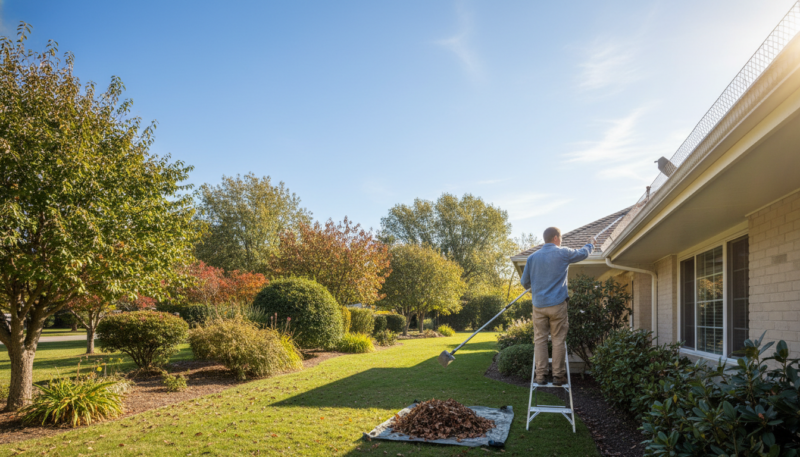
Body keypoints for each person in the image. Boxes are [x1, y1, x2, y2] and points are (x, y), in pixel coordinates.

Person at [521, 227, 595, 386]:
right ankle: (558, 376)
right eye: (560, 238)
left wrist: (535, 289)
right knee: (558, 340)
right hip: (557, 305)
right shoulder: (563, 253)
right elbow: (582, 253)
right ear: (555, 238)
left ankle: (540, 376)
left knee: (540, 340)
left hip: (539, 306)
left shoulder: (532, 258)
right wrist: (590, 244)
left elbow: (524, 283)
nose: (561, 241)